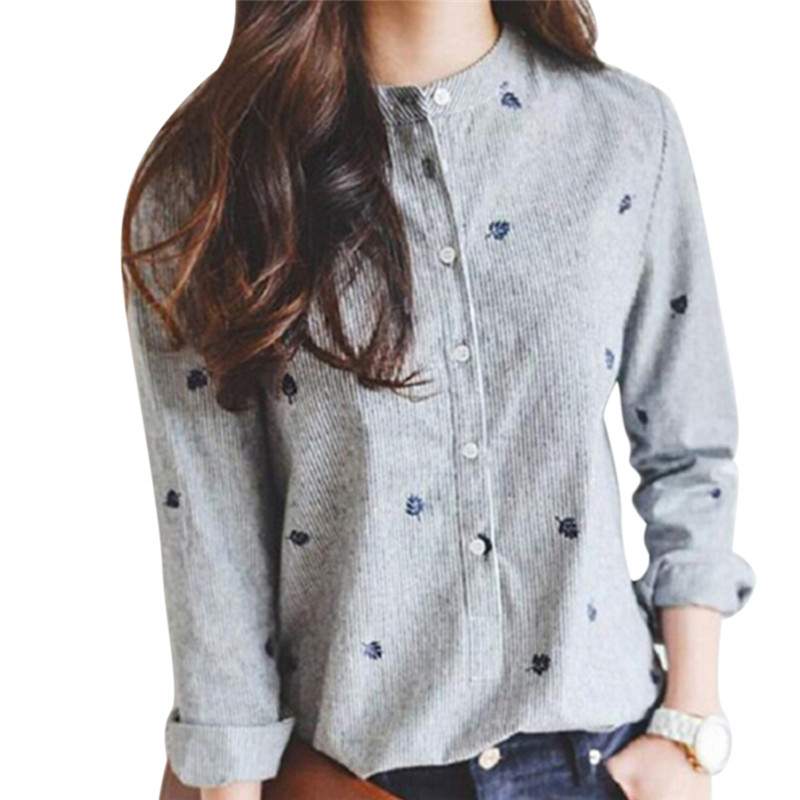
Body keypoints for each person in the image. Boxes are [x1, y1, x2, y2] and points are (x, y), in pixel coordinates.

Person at [121, 2, 756, 799]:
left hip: (601, 762)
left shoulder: (625, 131)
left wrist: (691, 725)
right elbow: (211, 539)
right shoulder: (210, 180)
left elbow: (690, 443)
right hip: (359, 777)